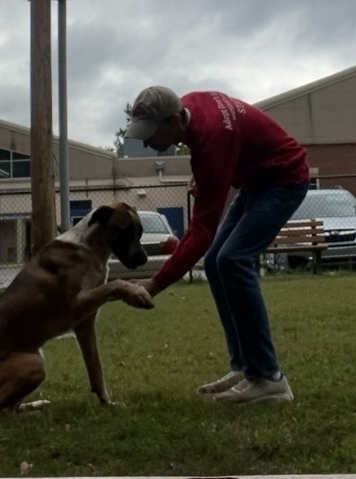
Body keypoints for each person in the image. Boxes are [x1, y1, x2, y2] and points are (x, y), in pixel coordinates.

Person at [125, 86, 309, 404]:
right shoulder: (194, 104)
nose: (146, 142)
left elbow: (201, 233)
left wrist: (155, 283)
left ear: (174, 121)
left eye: (152, 132)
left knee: (233, 260)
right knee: (215, 263)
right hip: (256, 182)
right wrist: (215, 175)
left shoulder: (212, 137)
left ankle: (268, 378)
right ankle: (244, 366)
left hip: (284, 179)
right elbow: (231, 147)